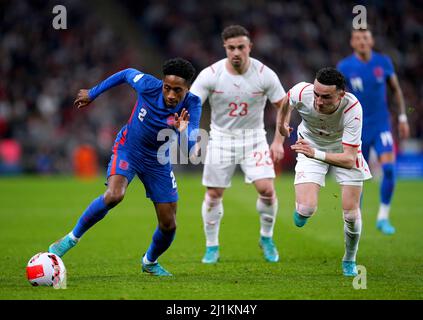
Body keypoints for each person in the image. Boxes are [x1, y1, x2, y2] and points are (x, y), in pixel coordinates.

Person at [48, 58, 201, 276]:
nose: (170, 95)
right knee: (114, 195)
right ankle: (70, 239)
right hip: (129, 149)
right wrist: (92, 93)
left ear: (187, 89)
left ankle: (149, 262)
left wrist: (183, 130)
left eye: (178, 90)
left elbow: (190, 150)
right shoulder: (148, 85)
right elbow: (125, 73)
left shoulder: (193, 104)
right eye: (167, 88)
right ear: (162, 82)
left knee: (169, 224)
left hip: (158, 161)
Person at [190, 25, 286, 264]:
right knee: (213, 194)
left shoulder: (264, 74)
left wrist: (277, 141)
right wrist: (192, 136)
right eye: (231, 47)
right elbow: (192, 104)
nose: (236, 52)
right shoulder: (210, 75)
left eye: (241, 47)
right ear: (225, 47)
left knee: (266, 189)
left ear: (249, 47)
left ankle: (267, 237)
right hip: (221, 139)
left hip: (254, 139)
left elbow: (283, 105)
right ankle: (212, 246)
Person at [277, 67, 372, 276]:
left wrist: (316, 154)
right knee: (305, 210)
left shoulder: (353, 109)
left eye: (326, 97)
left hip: (342, 150)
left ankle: (349, 259)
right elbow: (286, 101)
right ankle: (302, 209)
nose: (318, 101)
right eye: (317, 95)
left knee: (351, 215)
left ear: (341, 94)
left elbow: (348, 159)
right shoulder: (303, 92)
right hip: (309, 144)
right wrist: (282, 124)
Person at [337, 28, 410, 235]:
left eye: (365, 38)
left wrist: (403, 117)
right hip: (357, 127)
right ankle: (355, 219)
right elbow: (339, 96)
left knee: (388, 169)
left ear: (372, 41)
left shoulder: (383, 62)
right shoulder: (344, 66)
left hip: (381, 125)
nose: (362, 41)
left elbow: (395, 90)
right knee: (357, 176)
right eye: (358, 38)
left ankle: (383, 217)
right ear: (352, 42)